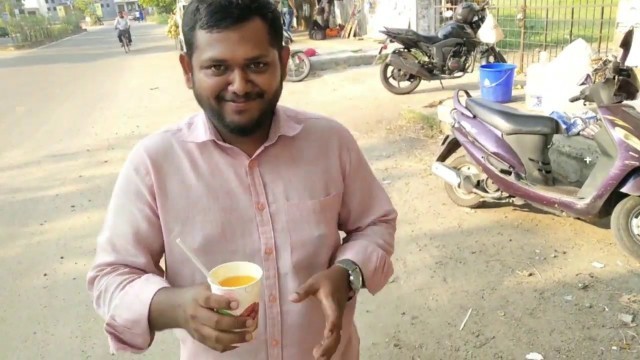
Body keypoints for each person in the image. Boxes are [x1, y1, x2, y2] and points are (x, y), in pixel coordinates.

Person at [86, 0, 397, 359]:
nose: (239, 85)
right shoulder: (155, 163)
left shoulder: (330, 142)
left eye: (257, 65)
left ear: (283, 62)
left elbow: (376, 222)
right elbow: (111, 278)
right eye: (217, 67)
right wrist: (175, 307)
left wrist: (348, 272)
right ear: (188, 70)